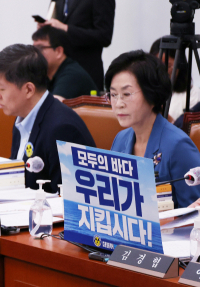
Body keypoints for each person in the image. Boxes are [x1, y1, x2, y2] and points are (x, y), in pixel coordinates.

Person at [0, 44, 95, 193]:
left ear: (28, 89)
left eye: (1, 88)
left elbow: (67, 198)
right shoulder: (22, 117)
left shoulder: (63, 129)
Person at [106, 50, 200, 209]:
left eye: (126, 94)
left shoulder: (178, 146)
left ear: (152, 95)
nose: (119, 103)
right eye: (113, 95)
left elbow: (195, 214)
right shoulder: (120, 139)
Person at [39, 0, 115, 91]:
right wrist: (45, 30)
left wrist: (66, 28)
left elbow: (104, 36)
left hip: (85, 73)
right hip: (58, 75)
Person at [32, 25, 97, 101]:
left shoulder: (72, 74)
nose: (35, 54)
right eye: (33, 49)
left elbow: (53, 106)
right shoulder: (44, 74)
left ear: (58, 51)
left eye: (40, 48)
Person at [149, 38, 200, 122]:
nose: (162, 71)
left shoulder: (193, 94)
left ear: (179, 65)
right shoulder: (146, 92)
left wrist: (164, 115)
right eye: (157, 67)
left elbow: (191, 128)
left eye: (167, 66)